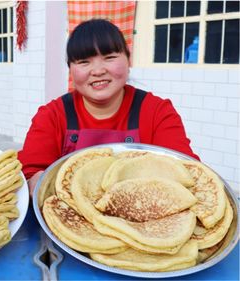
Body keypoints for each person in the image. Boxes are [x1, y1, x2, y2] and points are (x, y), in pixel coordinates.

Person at [18, 19, 199, 195]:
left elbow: (187, 172)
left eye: (109, 57)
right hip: (65, 217)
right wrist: (34, 182)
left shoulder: (156, 111)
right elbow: (30, 173)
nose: (97, 71)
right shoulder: (52, 115)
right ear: (70, 69)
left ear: (129, 60)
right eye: (83, 62)